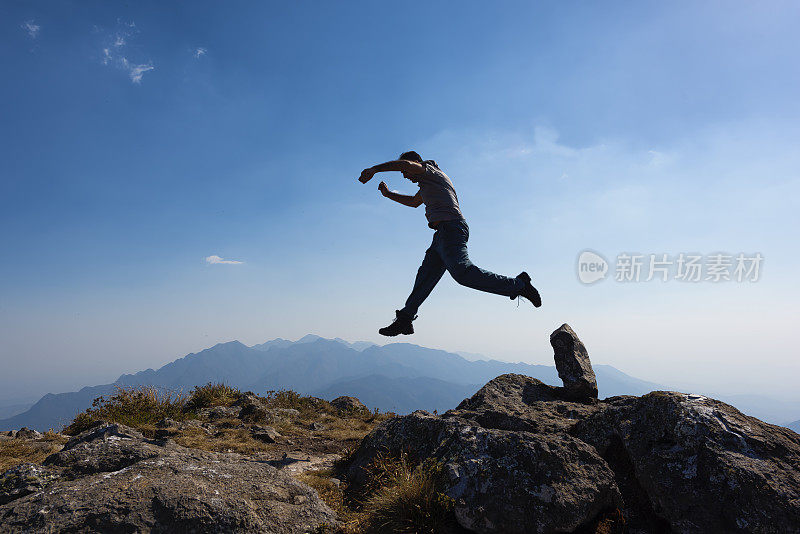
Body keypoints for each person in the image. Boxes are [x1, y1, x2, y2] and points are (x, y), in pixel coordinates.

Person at [358, 151, 542, 336]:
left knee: (463, 273)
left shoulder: (428, 170)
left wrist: (375, 169)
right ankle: (405, 319)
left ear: (415, 162)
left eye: (405, 172)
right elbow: (414, 202)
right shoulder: (428, 182)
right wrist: (388, 194)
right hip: (442, 234)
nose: (405, 176)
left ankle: (519, 285)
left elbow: (406, 165)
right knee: (425, 277)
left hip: (452, 229)